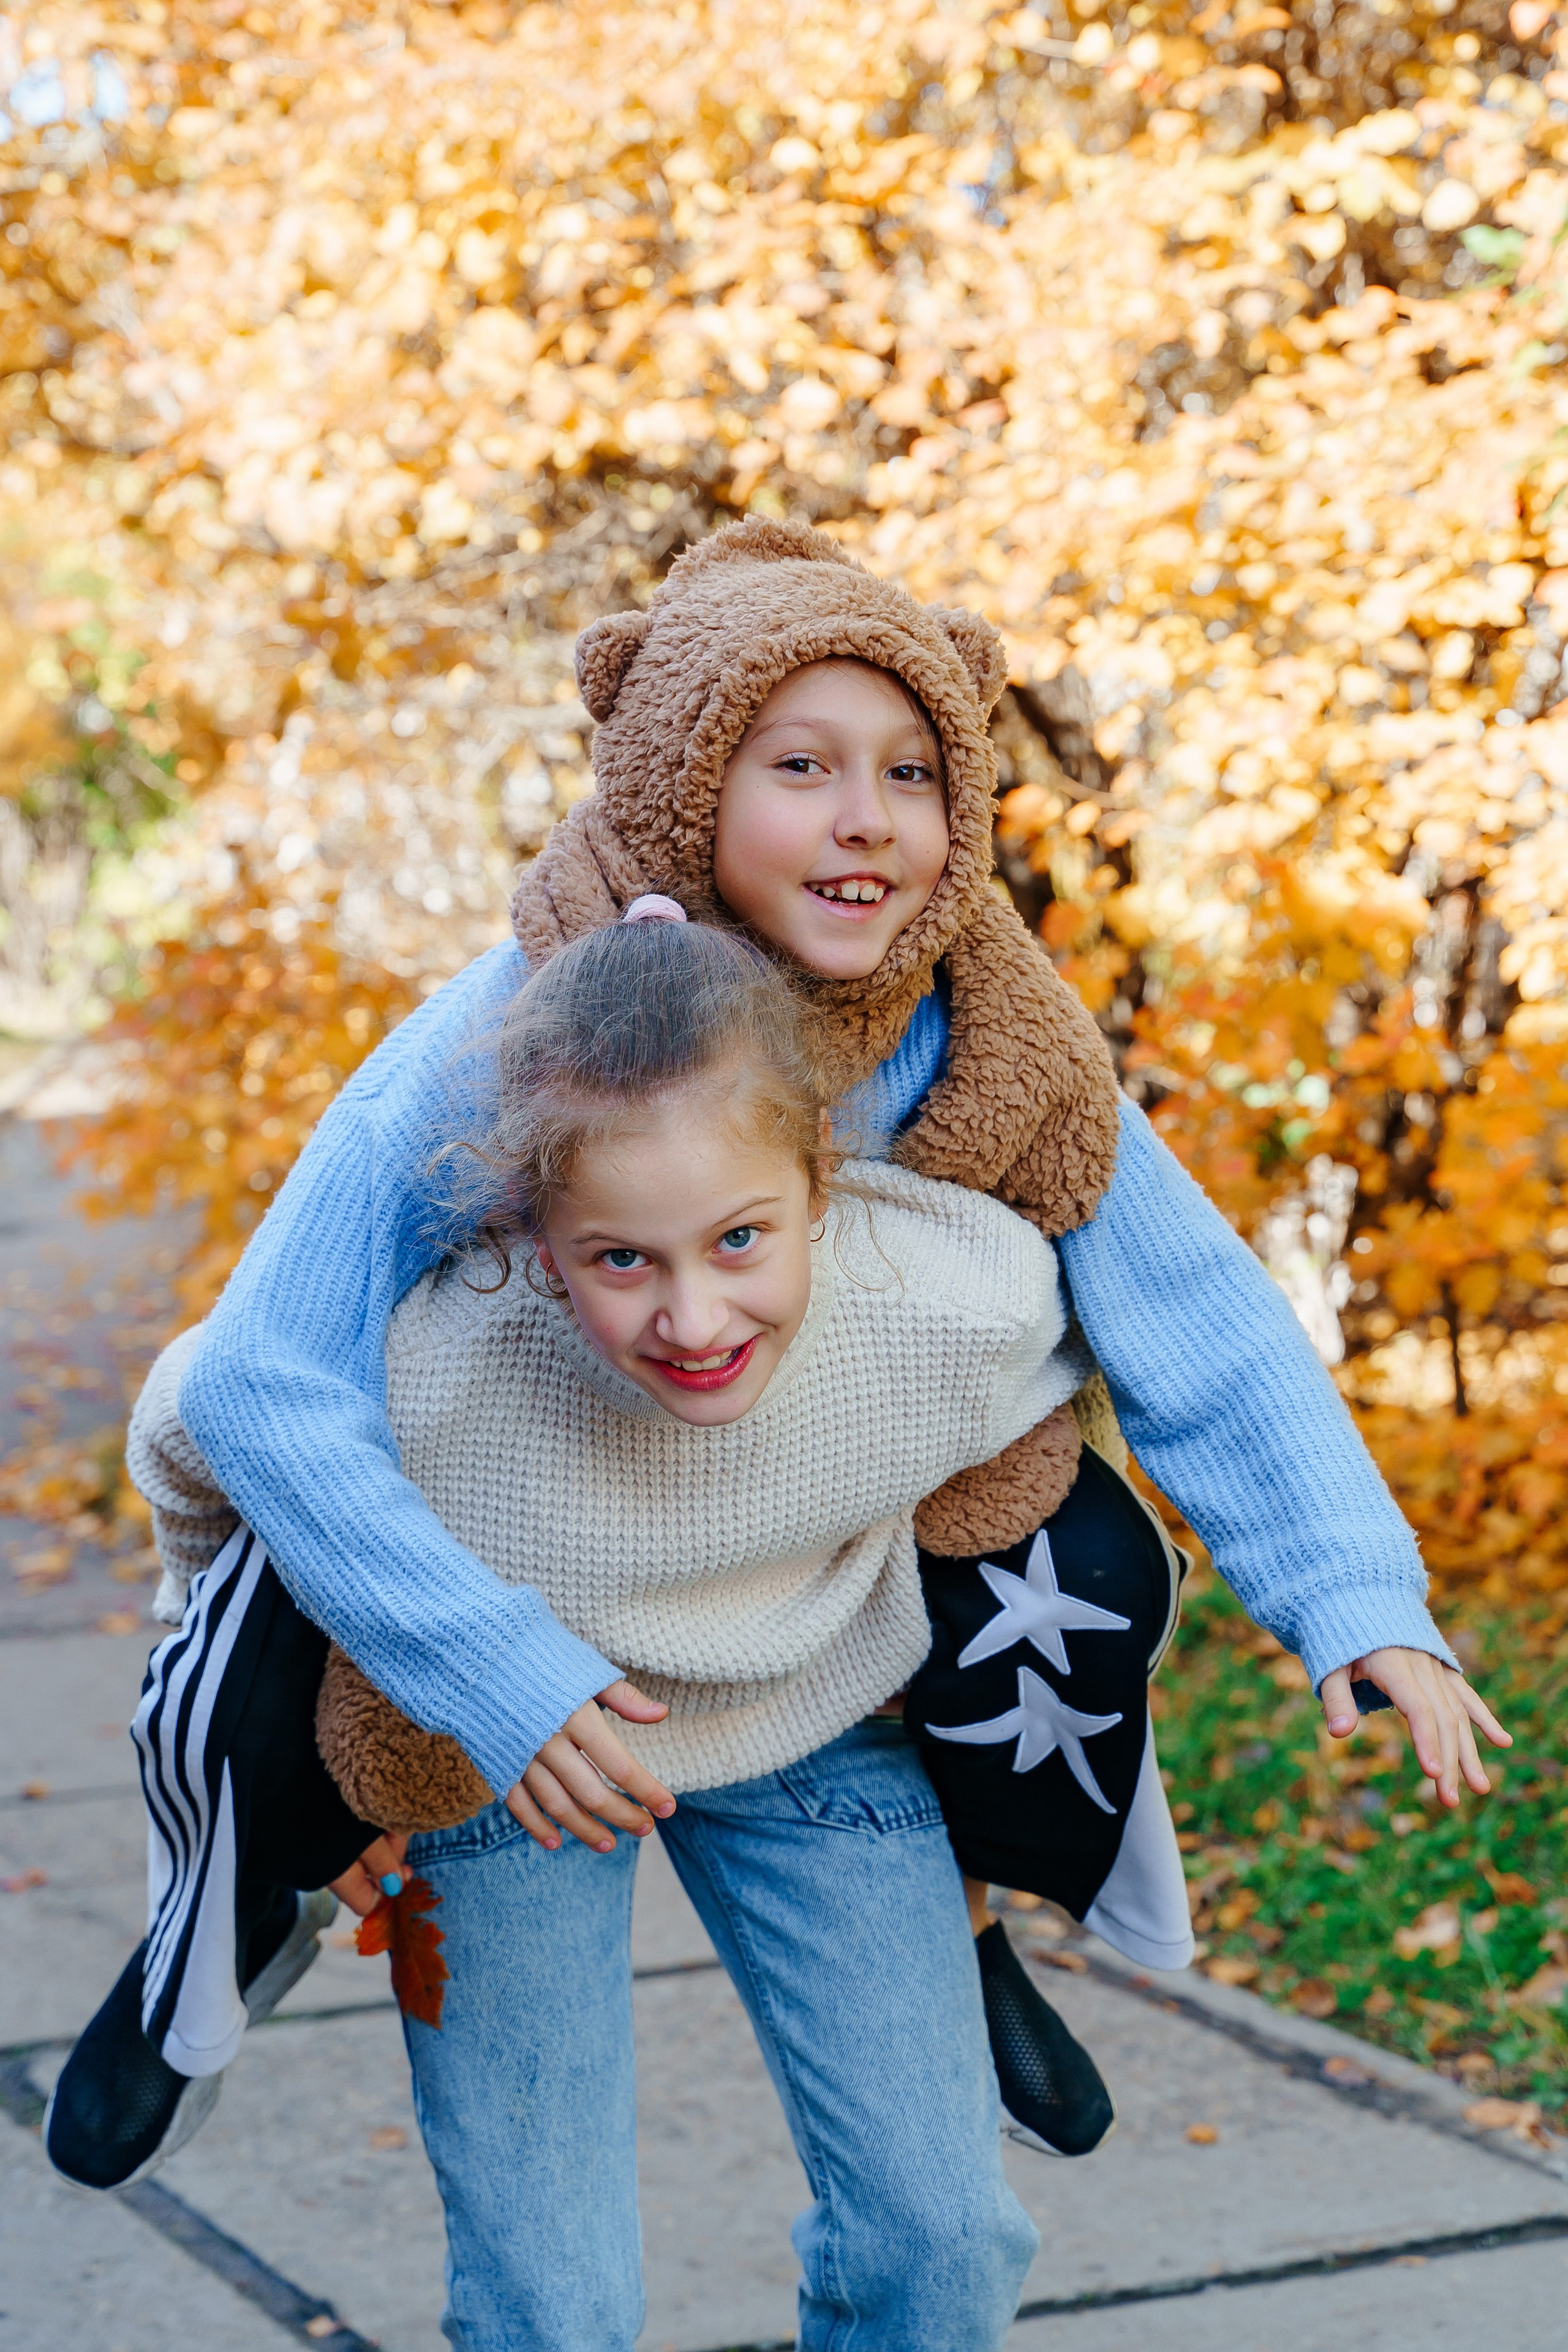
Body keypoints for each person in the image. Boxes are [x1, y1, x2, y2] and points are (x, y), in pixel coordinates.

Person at [56, 914, 1504, 2352]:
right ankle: (246, 1920)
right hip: (513, 1760)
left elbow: (1196, 1345)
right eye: (620, 1259)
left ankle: (973, 1926)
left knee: (945, 2240)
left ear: (821, 1186)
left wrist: (1351, 1601)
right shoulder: (451, 1362)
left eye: (739, 1239)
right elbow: (215, 1444)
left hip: (823, 1716)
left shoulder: (936, 1301)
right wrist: (286, 1783)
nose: (694, 1317)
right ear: (530, 1242)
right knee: (553, 2307)